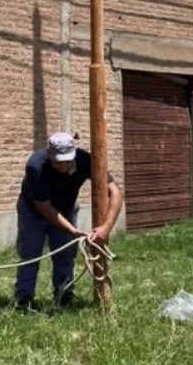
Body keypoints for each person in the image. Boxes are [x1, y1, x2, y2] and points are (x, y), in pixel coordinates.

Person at [13, 132, 123, 309]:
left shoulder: (86, 160)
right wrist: (71, 230)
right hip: (33, 211)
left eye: (68, 160)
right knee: (30, 255)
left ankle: (64, 296)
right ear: (49, 155)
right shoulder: (36, 166)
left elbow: (116, 192)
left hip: (66, 208)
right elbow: (45, 208)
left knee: (65, 255)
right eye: (58, 161)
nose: (64, 166)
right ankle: (23, 300)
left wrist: (106, 227)